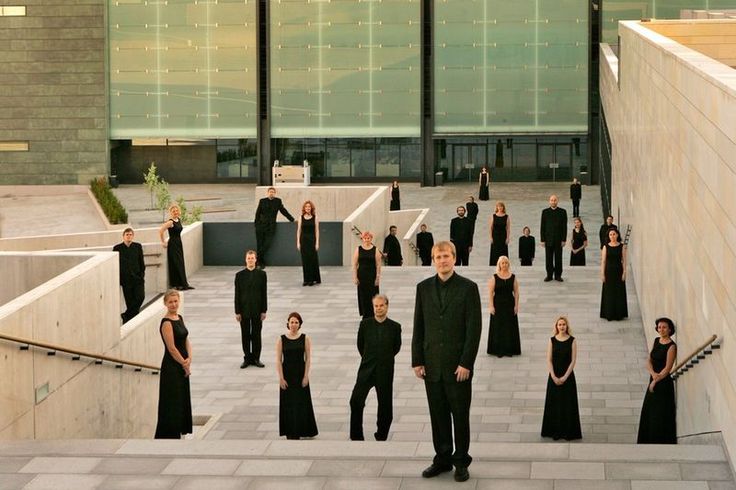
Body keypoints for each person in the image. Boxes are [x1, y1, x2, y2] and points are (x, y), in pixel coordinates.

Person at [412, 241, 482, 483]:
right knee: (438, 415)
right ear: (433, 260)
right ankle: (442, 459)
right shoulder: (423, 288)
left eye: (446, 256)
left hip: (458, 368)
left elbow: (474, 329)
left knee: (460, 416)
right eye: (438, 256)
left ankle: (461, 460)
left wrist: (466, 363)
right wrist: (417, 360)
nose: (442, 260)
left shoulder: (468, 288)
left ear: (454, 258)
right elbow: (418, 326)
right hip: (431, 366)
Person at [349, 294, 402, 441]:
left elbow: (396, 348)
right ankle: (356, 436)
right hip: (366, 369)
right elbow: (360, 345)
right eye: (376, 306)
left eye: (381, 305)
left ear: (387, 306)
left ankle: (381, 435)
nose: (378, 308)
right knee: (355, 401)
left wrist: (383, 359)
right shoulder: (365, 325)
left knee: (385, 405)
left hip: (384, 371)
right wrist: (369, 358)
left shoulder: (395, 327)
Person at [154, 290, 193, 439]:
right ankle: (169, 434)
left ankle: (179, 430)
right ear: (165, 303)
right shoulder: (166, 323)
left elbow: (186, 340)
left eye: (175, 301)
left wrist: (189, 358)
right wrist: (184, 363)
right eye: (170, 302)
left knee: (181, 399)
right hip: (172, 367)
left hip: (183, 364)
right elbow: (171, 348)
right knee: (172, 400)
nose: (173, 304)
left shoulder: (179, 318)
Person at [276, 312, 318, 440]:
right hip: (287, 374)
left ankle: (304, 430)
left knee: (302, 403)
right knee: (288, 404)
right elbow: (278, 360)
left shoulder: (305, 338)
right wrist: (281, 378)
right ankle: (290, 431)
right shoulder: (281, 339)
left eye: (296, 322)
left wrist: (306, 376)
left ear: (299, 324)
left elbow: (308, 358)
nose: (294, 324)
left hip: (300, 374)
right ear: (288, 324)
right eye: (292, 322)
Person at [541, 316, 582, 441]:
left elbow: (573, 360)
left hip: (568, 377)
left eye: (564, 324)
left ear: (567, 326)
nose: (562, 326)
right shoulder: (551, 340)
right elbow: (549, 359)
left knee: (567, 404)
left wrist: (564, 377)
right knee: (554, 404)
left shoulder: (572, 341)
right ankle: (554, 431)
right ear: (556, 327)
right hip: (554, 376)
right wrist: (553, 376)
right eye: (559, 324)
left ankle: (568, 432)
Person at [637, 317, 677, 444]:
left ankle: (659, 441)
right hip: (654, 378)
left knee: (660, 412)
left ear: (670, 329)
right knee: (649, 411)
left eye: (664, 327)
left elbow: (667, 368)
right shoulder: (656, 341)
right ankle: (647, 440)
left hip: (663, 383)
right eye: (659, 327)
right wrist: (653, 374)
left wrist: (655, 380)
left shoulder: (672, 346)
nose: (661, 329)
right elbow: (648, 360)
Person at [234, 250, 267, 369]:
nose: (250, 260)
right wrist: (237, 312)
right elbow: (237, 294)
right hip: (244, 310)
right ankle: (247, 358)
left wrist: (264, 310)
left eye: (252, 258)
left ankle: (256, 358)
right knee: (245, 334)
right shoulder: (239, 275)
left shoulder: (262, 275)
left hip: (258, 310)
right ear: (245, 259)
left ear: (256, 259)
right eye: (248, 258)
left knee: (257, 335)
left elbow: (264, 293)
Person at [486, 256, 521, 357]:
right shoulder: (494, 277)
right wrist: (491, 306)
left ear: (508, 264)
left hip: (509, 304)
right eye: (502, 263)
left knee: (509, 326)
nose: (504, 265)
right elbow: (490, 292)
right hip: (498, 304)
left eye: (506, 263)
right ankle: (498, 350)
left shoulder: (513, 277)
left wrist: (516, 306)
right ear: (499, 265)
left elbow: (516, 292)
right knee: (498, 327)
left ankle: (509, 349)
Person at [255, 187, 295, 268]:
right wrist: (256, 224)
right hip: (261, 226)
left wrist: (292, 219)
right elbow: (258, 213)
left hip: (271, 226)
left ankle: (257, 259)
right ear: (267, 192)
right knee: (259, 244)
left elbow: (283, 211)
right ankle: (261, 262)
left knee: (267, 244)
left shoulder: (278, 201)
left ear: (275, 193)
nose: (271, 193)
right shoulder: (262, 201)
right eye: (270, 192)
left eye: (273, 192)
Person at [113, 227, 145, 323]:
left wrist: (141, 275)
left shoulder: (138, 246)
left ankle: (126, 315)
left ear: (133, 236)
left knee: (140, 297)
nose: (129, 236)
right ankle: (131, 321)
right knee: (130, 301)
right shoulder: (117, 248)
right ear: (123, 236)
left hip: (137, 279)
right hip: (125, 280)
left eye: (131, 234)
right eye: (127, 235)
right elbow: (115, 264)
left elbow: (141, 262)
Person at [159, 203, 193, 290]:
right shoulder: (170, 222)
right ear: (171, 212)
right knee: (176, 264)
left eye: (177, 210)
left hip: (178, 243)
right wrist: (163, 242)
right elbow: (161, 230)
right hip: (173, 244)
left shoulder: (178, 220)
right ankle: (177, 284)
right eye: (173, 211)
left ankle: (183, 283)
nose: (175, 212)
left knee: (180, 263)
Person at [352, 231, 382, 318]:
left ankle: (373, 314)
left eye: (368, 238)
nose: (367, 240)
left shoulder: (375, 249)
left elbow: (378, 265)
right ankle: (365, 314)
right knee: (363, 295)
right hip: (362, 275)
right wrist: (355, 277)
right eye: (365, 238)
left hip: (372, 275)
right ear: (362, 239)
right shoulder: (358, 249)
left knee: (373, 295)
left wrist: (378, 277)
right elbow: (354, 264)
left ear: (371, 239)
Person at [600, 228, 628, 321]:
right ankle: (609, 314)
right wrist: (602, 274)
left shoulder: (622, 246)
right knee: (609, 293)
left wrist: (624, 272)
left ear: (617, 235)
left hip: (618, 271)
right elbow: (603, 261)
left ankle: (619, 314)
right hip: (608, 272)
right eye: (610, 235)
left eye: (614, 234)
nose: (612, 236)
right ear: (608, 236)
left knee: (619, 292)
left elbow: (624, 260)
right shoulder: (605, 247)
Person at [540, 195, 567, 282]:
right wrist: (542, 240)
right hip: (548, 239)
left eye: (555, 200)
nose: (553, 202)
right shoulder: (545, 212)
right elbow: (542, 227)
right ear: (549, 201)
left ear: (557, 201)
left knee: (558, 258)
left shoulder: (562, 212)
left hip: (559, 240)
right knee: (549, 258)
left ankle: (558, 275)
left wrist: (564, 239)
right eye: (552, 200)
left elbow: (564, 227)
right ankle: (549, 275)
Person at [296, 200, 321, 286]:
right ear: (304, 208)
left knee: (312, 260)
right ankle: (306, 279)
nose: (307, 208)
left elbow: (317, 231)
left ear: (311, 208)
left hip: (312, 240)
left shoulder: (315, 217)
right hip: (304, 241)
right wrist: (298, 242)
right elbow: (299, 231)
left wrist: (317, 243)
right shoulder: (300, 217)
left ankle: (312, 279)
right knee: (305, 260)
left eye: (309, 207)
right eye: (306, 207)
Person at [489, 201, 511, 266]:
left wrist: (507, 238)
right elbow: (490, 228)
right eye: (498, 206)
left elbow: (508, 228)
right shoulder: (493, 216)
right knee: (495, 251)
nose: (500, 208)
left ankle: (504, 264)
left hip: (503, 236)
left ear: (503, 207)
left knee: (503, 251)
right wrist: (491, 237)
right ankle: (494, 265)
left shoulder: (506, 216)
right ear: (497, 207)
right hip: (495, 236)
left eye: (501, 206)